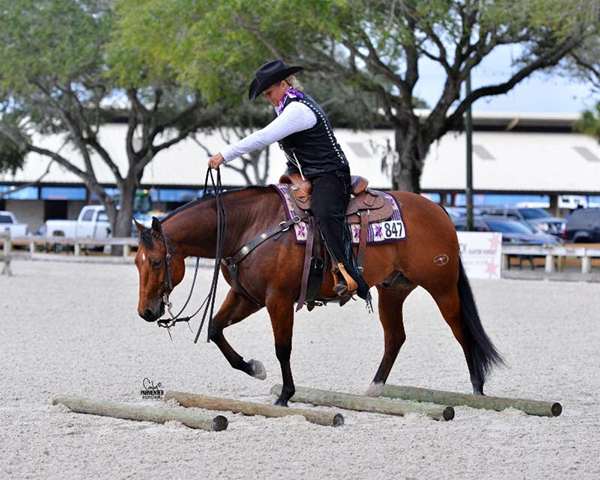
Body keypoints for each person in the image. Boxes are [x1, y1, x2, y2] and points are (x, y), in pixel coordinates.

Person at [208, 59, 370, 304]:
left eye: (270, 92)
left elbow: (263, 137)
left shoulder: (297, 111)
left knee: (326, 215)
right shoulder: (285, 105)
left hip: (330, 173)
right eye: (265, 94)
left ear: (284, 84)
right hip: (303, 172)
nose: (268, 97)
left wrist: (226, 154)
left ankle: (349, 273)